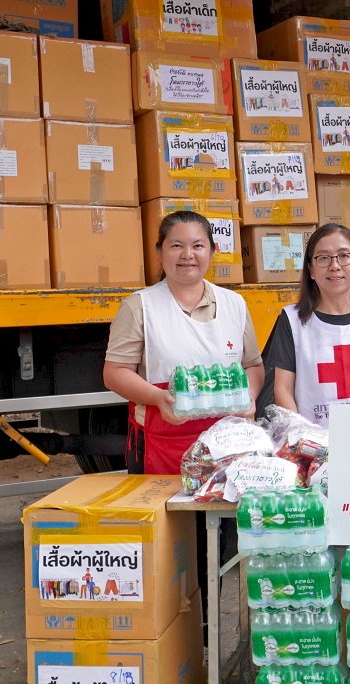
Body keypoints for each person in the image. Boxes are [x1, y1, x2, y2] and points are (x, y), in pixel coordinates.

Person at [103, 211, 265, 635]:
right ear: (159, 253)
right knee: (170, 551)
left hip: (225, 450)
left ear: (212, 251)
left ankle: (206, 636)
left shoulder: (233, 304)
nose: (187, 255)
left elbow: (252, 364)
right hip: (162, 444)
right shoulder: (139, 306)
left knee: (217, 546)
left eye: (197, 245)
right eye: (176, 245)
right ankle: (171, 642)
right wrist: (158, 398)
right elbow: (115, 371)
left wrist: (247, 397)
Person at [264, 222, 350, 424]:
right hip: (313, 445)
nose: (334, 266)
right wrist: (304, 438)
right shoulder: (292, 320)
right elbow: (283, 389)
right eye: (323, 258)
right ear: (310, 269)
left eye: (344, 256)